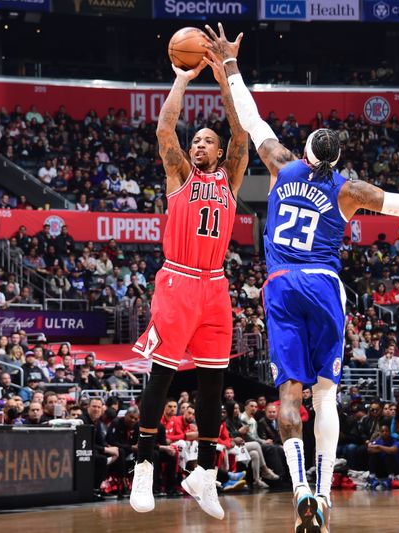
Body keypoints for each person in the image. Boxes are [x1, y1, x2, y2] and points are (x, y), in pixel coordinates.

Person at [209, 21, 399, 532]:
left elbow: (249, 117)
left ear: (306, 153)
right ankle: (325, 496)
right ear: (336, 161)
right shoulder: (350, 189)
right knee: (326, 395)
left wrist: (229, 64)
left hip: (281, 282)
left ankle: (298, 490)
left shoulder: (281, 162)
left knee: (288, 395)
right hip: (323, 284)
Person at [129, 27, 250, 521]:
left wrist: (224, 76)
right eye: (195, 140)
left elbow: (241, 131)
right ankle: (142, 465)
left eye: (206, 141)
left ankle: (204, 472)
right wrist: (181, 80)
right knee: (161, 376)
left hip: (216, 284)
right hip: (178, 279)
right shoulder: (178, 175)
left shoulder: (231, 176)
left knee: (213, 382)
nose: (198, 144)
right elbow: (164, 131)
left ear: (219, 153)